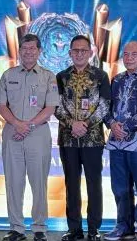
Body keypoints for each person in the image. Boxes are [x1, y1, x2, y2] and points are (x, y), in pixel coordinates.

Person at [0, 33, 59, 241]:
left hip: (37, 134)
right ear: (19, 51)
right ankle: (16, 228)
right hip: (12, 133)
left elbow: (50, 108)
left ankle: (39, 227)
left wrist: (28, 125)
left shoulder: (48, 76)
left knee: (39, 183)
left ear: (39, 51)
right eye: (24, 48)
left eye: (32, 48)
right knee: (13, 183)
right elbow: (1, 105)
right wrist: (16, 124)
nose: (28, 52)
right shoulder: (8, 75)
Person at [54, 35, 111, 241]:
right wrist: (72, 124)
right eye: (75, 50)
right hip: (68, 139)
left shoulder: (100, 76)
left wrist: (85, 124)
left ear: (90, 52)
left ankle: (94, 229)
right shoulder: (61, 77)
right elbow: (56, 105)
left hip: (93, 139)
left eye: (83, 50)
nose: (79, 54)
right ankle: (74, 229)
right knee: (72, 184)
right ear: (69, 53)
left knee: (94, 184)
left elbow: (104, 105)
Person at [104, 41, 137, 241]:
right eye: (126, 54)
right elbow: (106, 106)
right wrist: (111, 124)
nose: (129, 58)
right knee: (120, 187)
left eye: (134, 54)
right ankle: (123, 226)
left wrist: (126, 128)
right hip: (116, 141)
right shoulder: (116, 79)